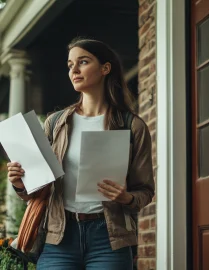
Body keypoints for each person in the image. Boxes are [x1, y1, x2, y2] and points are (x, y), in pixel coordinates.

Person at [6, 37, 154, 270]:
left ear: (105, 68)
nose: (74, 70)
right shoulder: (55, 123)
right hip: (58, 237)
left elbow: (145, 190)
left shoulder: (131, 125)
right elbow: (38, 191)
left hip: (109, 238)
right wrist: (19, 182)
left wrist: (127, 198)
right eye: (69, 65)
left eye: (82, 62)